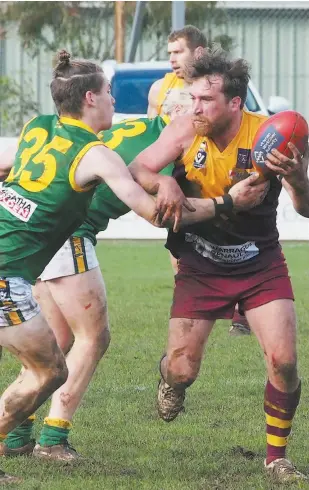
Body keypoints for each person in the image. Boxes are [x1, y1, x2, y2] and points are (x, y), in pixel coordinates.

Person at [0, 113, 267, 462]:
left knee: (56, 342)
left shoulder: (79, 126)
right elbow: (160, 212)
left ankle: (19, 433)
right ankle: (53, 437)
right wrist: (227, 202)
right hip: (69, 235)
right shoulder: (175, 142)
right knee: (92, 338)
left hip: (43, 238)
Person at [129, 47, 309, 482]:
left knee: (284, 361)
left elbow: (304, 209)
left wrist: (300, 179)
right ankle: (169, 378)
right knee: (181, 369)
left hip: (260, 262)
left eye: (205, 100)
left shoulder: (268, 134)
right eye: (192, 98)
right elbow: (140, 169)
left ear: (234, 102)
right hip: (200, 265)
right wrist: (167, 179)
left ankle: (276, 456)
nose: (195, 107)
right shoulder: (185, 130)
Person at [148, 25, 250, 335]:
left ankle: (241, 310)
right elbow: (151, 131)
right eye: (169, 53)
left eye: (178, 51)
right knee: (179, 241)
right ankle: (194, 302)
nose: (172, 59)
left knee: (234, 232)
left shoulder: (220, 86)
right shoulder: (159, 89)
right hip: (180, 171)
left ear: (199, 52)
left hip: (215, 166)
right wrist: (161, 177)